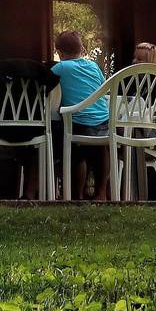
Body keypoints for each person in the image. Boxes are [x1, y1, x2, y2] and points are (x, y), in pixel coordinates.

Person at [51, 29, 111, 201]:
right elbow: (101, 86)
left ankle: (75, 194)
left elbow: (48, 87)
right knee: (101, 150)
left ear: (59, 52)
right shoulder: (94, 67)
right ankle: (101, 192)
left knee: (76, 153)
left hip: (77, 122)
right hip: (103, 122)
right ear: (82, 49)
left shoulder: (60, 67)